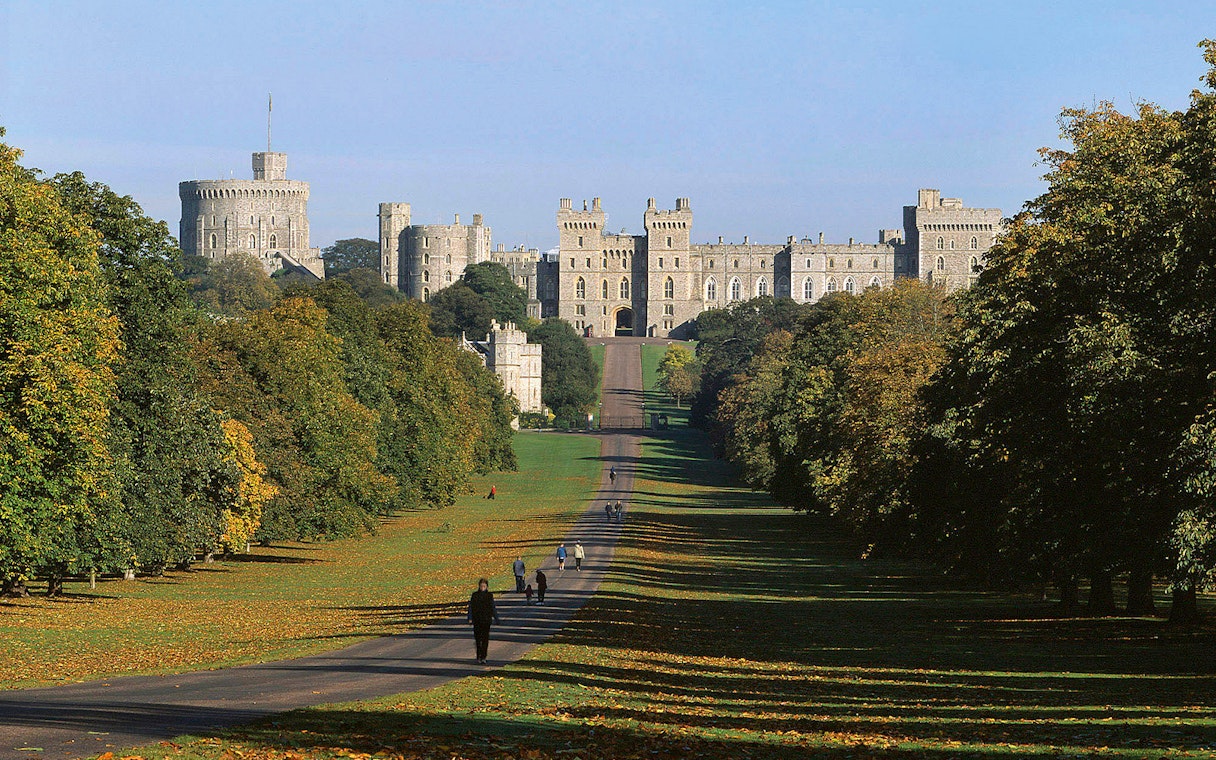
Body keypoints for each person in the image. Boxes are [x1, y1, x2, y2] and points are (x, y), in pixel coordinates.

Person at [467, 578, 501, 665]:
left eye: (484, 586)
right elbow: (471, 607)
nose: (482, 588)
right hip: (477, 620)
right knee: (478, 639)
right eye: (481, 586)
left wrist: (497, 619)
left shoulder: (489, 596)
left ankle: (484, 657)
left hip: (486, 620)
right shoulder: (475, 595)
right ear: (479, 586)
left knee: (485, 639)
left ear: (487, 587)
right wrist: (470, 618)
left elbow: (493, 608)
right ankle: (479, 656)